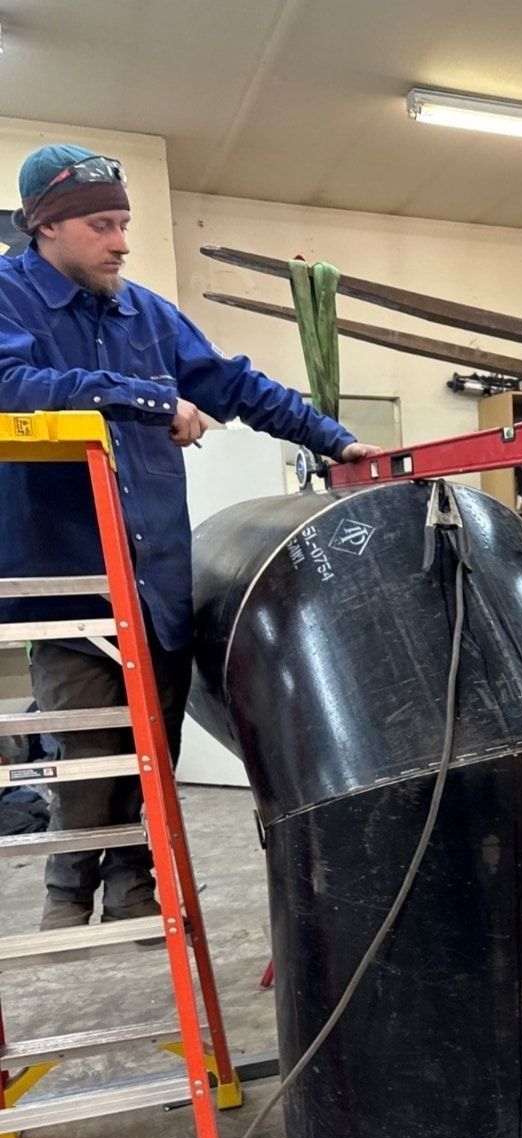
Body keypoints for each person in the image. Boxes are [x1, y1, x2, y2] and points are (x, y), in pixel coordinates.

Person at [0, 143, 382, 929]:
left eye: (124, 222)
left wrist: (332, 439)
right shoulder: (8, 299)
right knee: (91, 748)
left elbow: (233, 384)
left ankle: (137, 884)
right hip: (67, 577)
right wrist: (144, 399)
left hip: (156, 573)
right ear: (47, 228)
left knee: (153, 746)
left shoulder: (147, 314)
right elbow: (11, 385)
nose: (121, 242)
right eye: (102, 225)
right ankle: (68, 891)